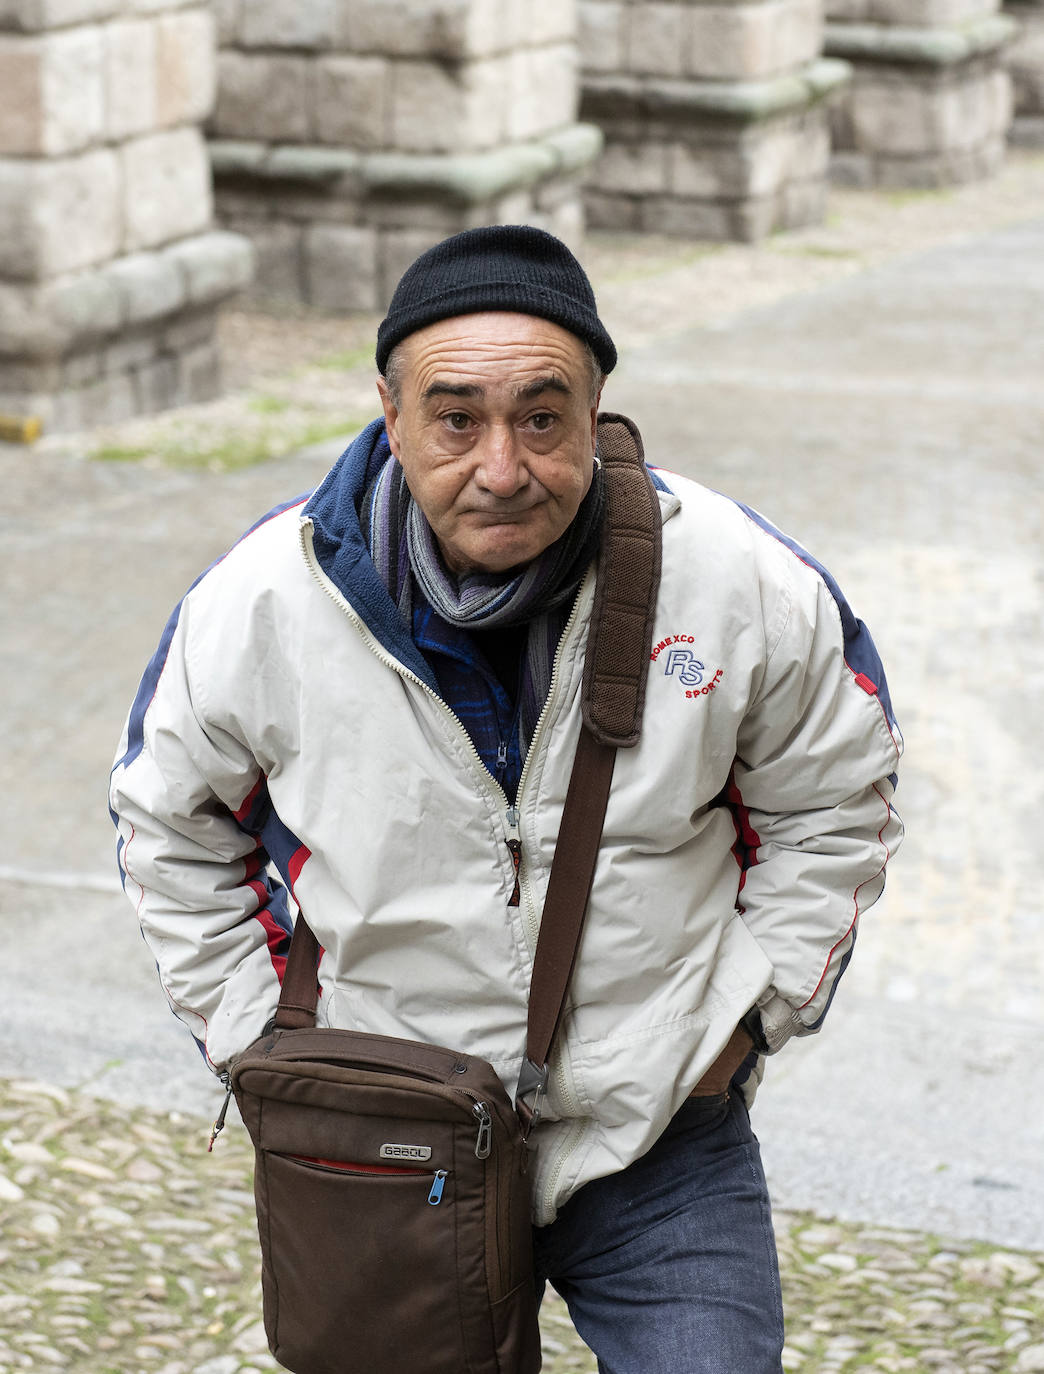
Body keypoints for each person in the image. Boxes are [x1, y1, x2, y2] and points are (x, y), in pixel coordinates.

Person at [109, 225, 903, 1373]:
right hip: (388, 1131)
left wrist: (747, 1019)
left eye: (542, 415)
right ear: (391, 418)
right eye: (456, 418)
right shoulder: (264, 604)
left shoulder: (733, 578)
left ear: (596, 412)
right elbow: (165, 824)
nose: (501, 465)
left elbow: (839, 797)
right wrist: (259, 1048)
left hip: (658, 1126)